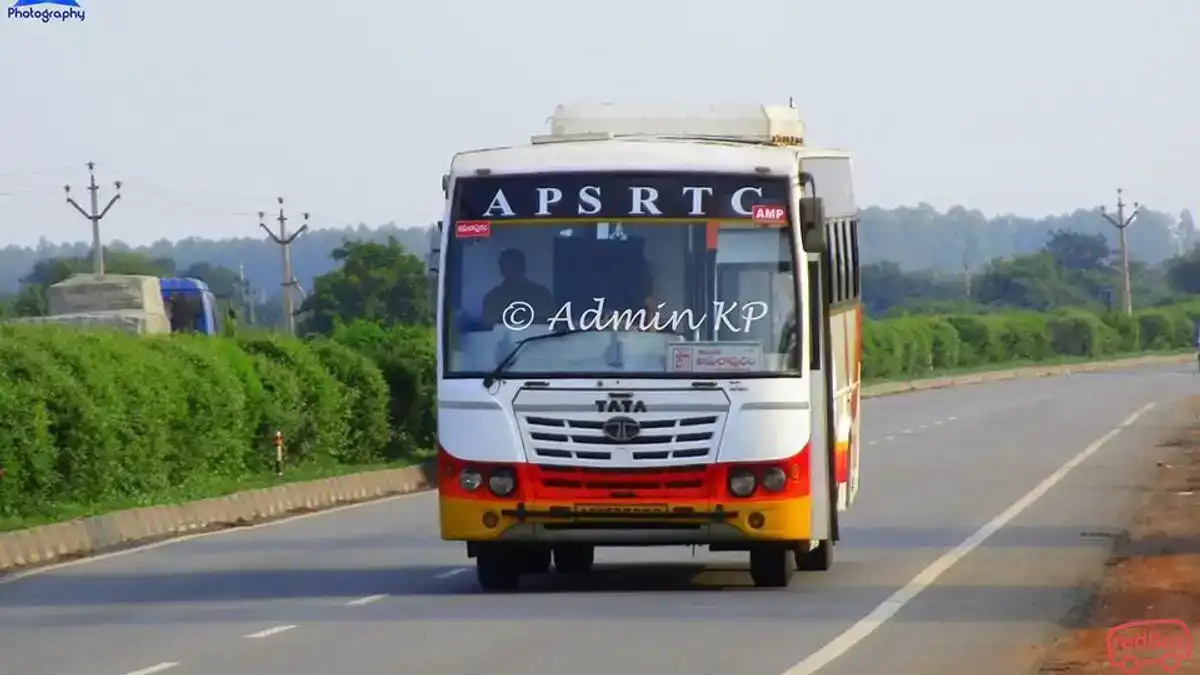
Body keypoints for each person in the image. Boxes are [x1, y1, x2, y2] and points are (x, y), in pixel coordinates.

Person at [482, 248, 555, 326]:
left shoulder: (541, 294)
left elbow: (551, 323)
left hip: (537, 337)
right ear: (502, 270)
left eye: (515, 267)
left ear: (523, 267)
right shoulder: (492, 298)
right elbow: (487, 326)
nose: (512, 271)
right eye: (507, 268)